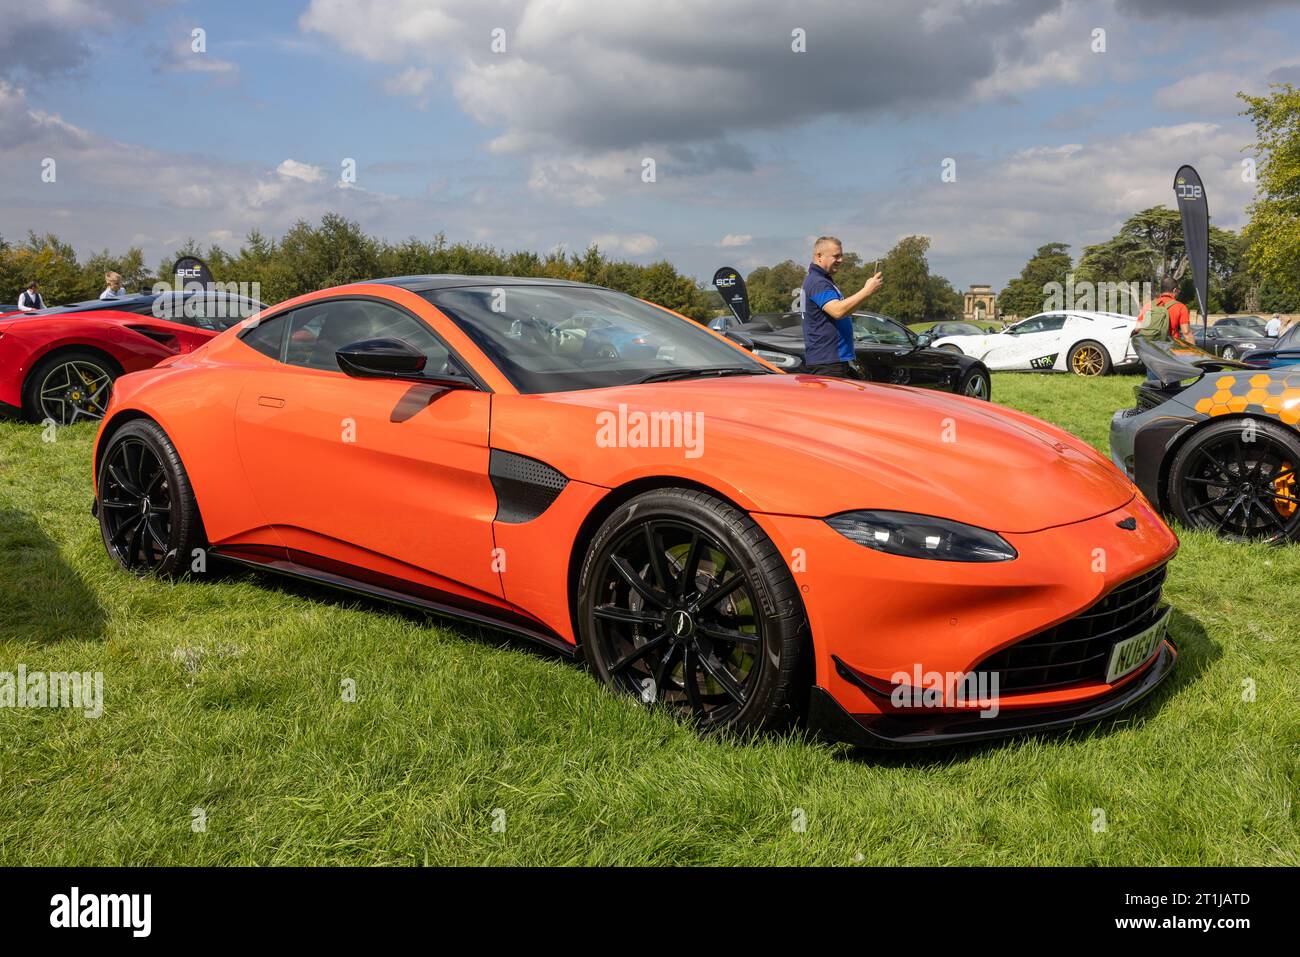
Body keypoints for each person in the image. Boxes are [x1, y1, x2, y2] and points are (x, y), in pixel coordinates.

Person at [801, 236, 883, 378]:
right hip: (828, 362)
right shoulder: (817, 282)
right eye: (836, 256)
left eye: (841, 256)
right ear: (819, 256)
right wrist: (866, 291)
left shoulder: (821, 280)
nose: (841, 260)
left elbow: (844, 311)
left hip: (831, 361)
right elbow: (838, 311)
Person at [1134, 276, 1192, 345]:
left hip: (1150, 348)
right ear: (1174, 290)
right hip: (1169, 349)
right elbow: (1186, 333)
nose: (1179, 292)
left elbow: (1137, 328)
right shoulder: (1181, 307)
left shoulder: (1148, 305)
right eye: (1178, 290)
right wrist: (1194, 353)